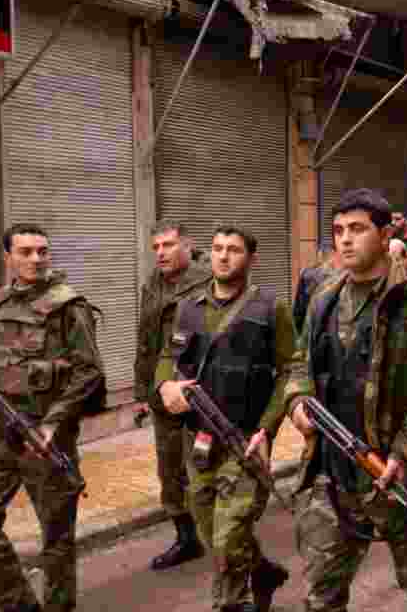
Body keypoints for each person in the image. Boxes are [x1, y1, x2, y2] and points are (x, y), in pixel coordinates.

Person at [285, 189, 407, 612]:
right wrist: (297, 401)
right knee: (322, 593)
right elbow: (299, 362)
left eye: (357, 229)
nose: (345, 240)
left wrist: (405, 452)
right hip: (331, 474)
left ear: (385, 233)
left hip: (399, 476)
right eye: (338, 231)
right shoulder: (324, 299)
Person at [155, 226, 295, 612]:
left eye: (233, 250)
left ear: (251, 258)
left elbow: (291, 369)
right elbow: (169, 356)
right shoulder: (189, 308)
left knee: (229, 534)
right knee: (210, 529)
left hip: (244, 438)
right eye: (217, 248)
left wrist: (268, 427)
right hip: (197, 439)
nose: (223, 256)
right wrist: (166, 386)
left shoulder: (270, 308)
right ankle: (263, 570)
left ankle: (230, 604)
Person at [0, 223, 105, 612]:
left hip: (47, 437)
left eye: (42, 251)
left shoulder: (68, 306)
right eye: (26, 252)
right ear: (8, 257)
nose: (36, 259)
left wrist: (53, 424)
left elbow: (89, 372)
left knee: (56, 538)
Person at [135, 220, 210, 571]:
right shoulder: (152, 284)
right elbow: (145, 340)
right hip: (159, 394)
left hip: (198, 394)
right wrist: (141, 390)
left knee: (204, 466)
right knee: (169, 470)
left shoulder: (207, 280)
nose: (161, 253)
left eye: (167, 245)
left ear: (186, 245)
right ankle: (186, 538)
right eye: (156, 248)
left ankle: (226, 537)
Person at [293, 239, 343, 335]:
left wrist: (298, 330)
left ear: (319, 256)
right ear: (334, 255)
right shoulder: (340, 277)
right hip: (332, 328)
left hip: (310, 326)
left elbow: (299, 307)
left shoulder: (306, 274)